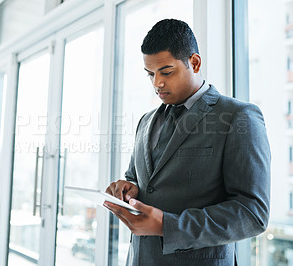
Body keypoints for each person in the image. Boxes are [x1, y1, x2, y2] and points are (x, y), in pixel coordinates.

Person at [105, 19, 270, 266]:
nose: (156, 83)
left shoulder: (239, 116)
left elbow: (252, 213)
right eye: (150, 74)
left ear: (194, 62)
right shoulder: (145, 121)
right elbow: (137, 178)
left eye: (166, 72)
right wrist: (129, 188)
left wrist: (166, 225)